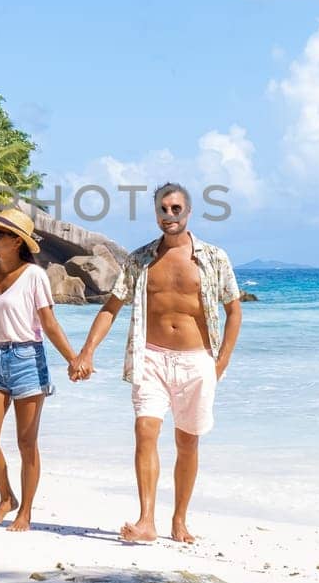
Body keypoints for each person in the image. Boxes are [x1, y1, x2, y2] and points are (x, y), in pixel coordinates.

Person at [70, 182, 241, 545]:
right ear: (156, 213)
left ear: (188, 211)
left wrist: (221, 361)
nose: (169, 215)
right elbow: (111, 307)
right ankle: (147, 520)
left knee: (187, 443)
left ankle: (179, 521)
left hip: (197, 361)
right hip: (151, 358)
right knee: (145, 431)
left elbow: (233, 310)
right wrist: (87, 352)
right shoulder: (139, 260)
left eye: (176, 209)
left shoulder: (213, 258)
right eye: (163, 209)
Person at [0, 207, 77, 531]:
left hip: (27, 362)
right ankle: (7, 497)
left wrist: (74, 359)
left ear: (18, 241)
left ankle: (26, 512)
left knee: (26, 443)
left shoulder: (35, 276)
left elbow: (49, 324)